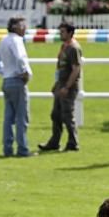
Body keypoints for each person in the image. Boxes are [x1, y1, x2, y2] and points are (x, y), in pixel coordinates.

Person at [0, 16, 36, 157]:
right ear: (16, 27)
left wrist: (3, 72)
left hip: (7, 80)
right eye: (23, 26)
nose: (25, 28)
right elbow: (20, 57)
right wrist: (24, 73)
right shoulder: (17, 40)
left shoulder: (4, 40)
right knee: (22, 117)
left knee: (8, 118)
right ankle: (22, 149)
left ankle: (7, 148)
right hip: (17, 81)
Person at [38, 21, 82, 152]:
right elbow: (60, 67)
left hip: (68, 86)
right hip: (61, 84)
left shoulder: (74, 48)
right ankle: (54, 141)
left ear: (70, 33)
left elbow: (76, 69)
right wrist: (57, 85)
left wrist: (67, 87)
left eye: (63, 32)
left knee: (67, 115)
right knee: (56, 114)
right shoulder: (64, 46)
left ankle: (73, 142)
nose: (60, 34)